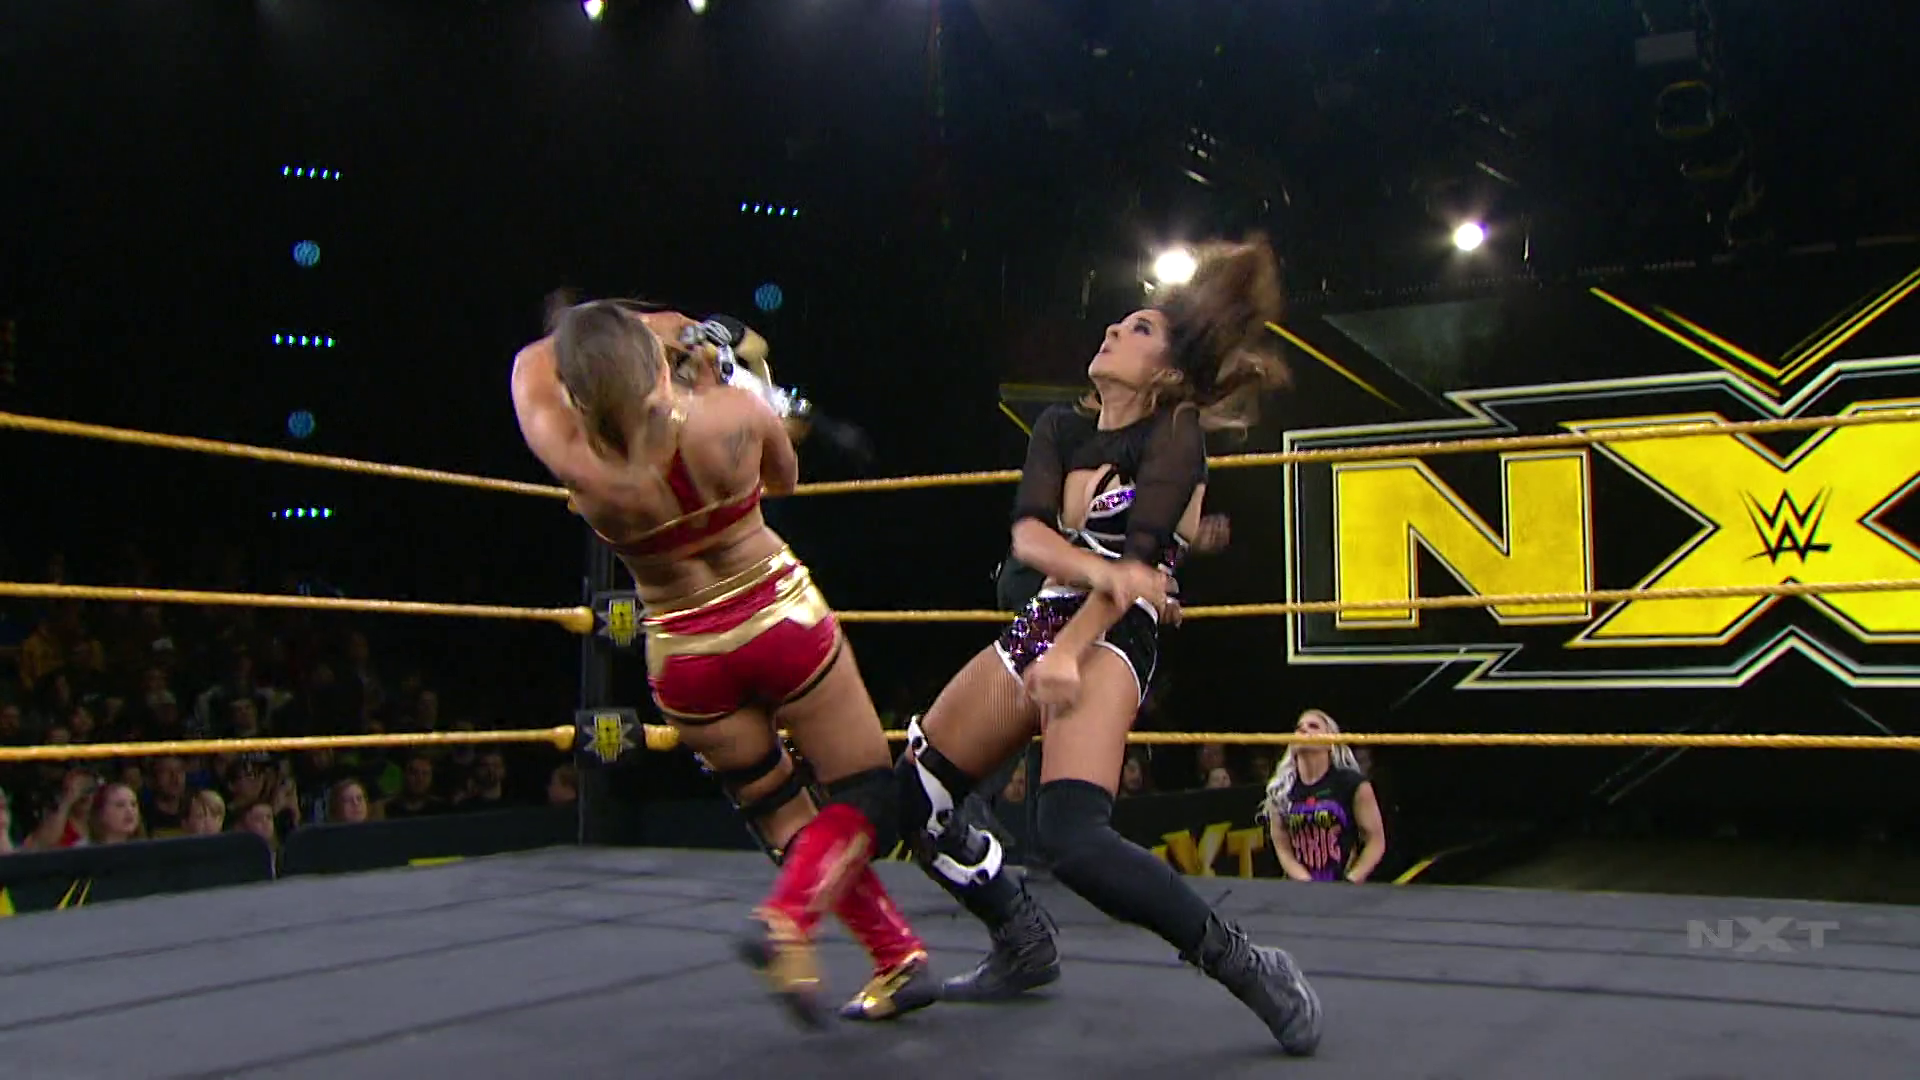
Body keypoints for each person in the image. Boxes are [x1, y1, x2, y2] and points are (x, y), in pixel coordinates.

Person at [876, 234, 1322, 1055]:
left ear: (1166, 369)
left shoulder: (1175, 433)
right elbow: (1029, 538)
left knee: (1073, 839)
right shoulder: (1059, 427)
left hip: (1115, 636)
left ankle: (1248, 964)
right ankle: (1019, 937)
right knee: (919, 797)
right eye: (1117, 322)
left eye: (1139, 328)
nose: (1114, 330)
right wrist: (1098, 579)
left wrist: (1076, 641)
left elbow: (1140, 568)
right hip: (1048, 615)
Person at [510, 295, 934, 1027]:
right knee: (866, 794)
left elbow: (533, 370)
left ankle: (896, 955)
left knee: (778, 808)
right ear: (654, 365)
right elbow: (785, 479)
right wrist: (710, 369)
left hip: (684, 655)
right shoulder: (731, 413)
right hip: (777, 618)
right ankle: (787, 918)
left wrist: (616, 345)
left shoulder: (581, 466)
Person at [1260, 710, 1387, 883]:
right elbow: (1283, 850)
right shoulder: (1282, 791)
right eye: (1298, 727)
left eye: (1313, 726)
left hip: (1343, 884)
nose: (1303, 729)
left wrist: (1352, 879)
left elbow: (1376, 840)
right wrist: (1307, 884)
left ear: (1330, 742)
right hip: (1300, 887)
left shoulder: (1352, 784)